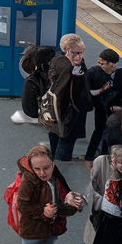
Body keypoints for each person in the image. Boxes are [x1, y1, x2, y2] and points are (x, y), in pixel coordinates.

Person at [46, 33, 92, 162]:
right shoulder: (62, 66)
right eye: (75, 53)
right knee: (64, 144)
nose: (79, 56)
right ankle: (59, 167)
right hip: (66, 112)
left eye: (82, 52)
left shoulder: (76, 63)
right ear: (67, 51)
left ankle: (55, 163)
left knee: (59, 139)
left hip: (64, 112)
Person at [85, 48, 122, 162]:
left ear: (112, 64)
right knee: (100, 131)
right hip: (102, 109)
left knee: (109, 133)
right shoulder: (95, 72)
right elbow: (90, 92)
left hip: (116, 111)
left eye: (102, 63)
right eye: (99, 62)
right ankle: (93, 156)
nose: (99, 65)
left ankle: (103, 156)